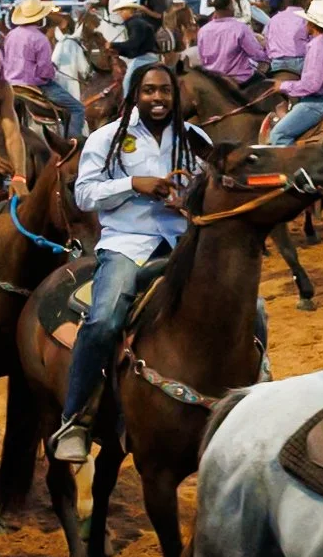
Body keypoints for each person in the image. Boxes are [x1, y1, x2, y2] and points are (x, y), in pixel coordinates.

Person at [49, 64, 213, 464]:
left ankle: (254, 390)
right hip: (128, 243)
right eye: (149, 91)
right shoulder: (107, 138)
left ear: (176, 97)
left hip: (182, 244)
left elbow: (212, 189)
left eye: (165, 92)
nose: (158, 99)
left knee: (250, 309)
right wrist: (132, 184)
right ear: (134, 95)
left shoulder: (195, 139)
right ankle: (76, 419)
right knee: (104, 319)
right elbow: (84, 195)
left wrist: (189, 200)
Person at [266, 0, 323, 143]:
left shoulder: (318, 46)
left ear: (311, 24)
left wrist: (283, 86)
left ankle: (294, 165)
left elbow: (311, 85)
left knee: (278, 134)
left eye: (306, 22)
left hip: (320, 101)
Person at [2, 0, 82, 139]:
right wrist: (52, 70)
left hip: (10, 84)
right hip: (34, 86)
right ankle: (73, 145)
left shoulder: (10, 35)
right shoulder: (40, 39)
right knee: (77, 109)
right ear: (40, 17)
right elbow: (45, 72)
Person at [194, 0, 269, 85]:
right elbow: (255, 53)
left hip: (213, 79)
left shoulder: (203, 30)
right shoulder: (240, 28)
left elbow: (202, 57)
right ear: (229, 7)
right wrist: (266, 56)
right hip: (239, 79)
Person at [264, 0, 313, 73]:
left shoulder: (274, 18)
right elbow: (313, 44)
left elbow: (267, 40)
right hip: (299, 62)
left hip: (276, 63)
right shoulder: (306, 20)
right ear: (307, 2)